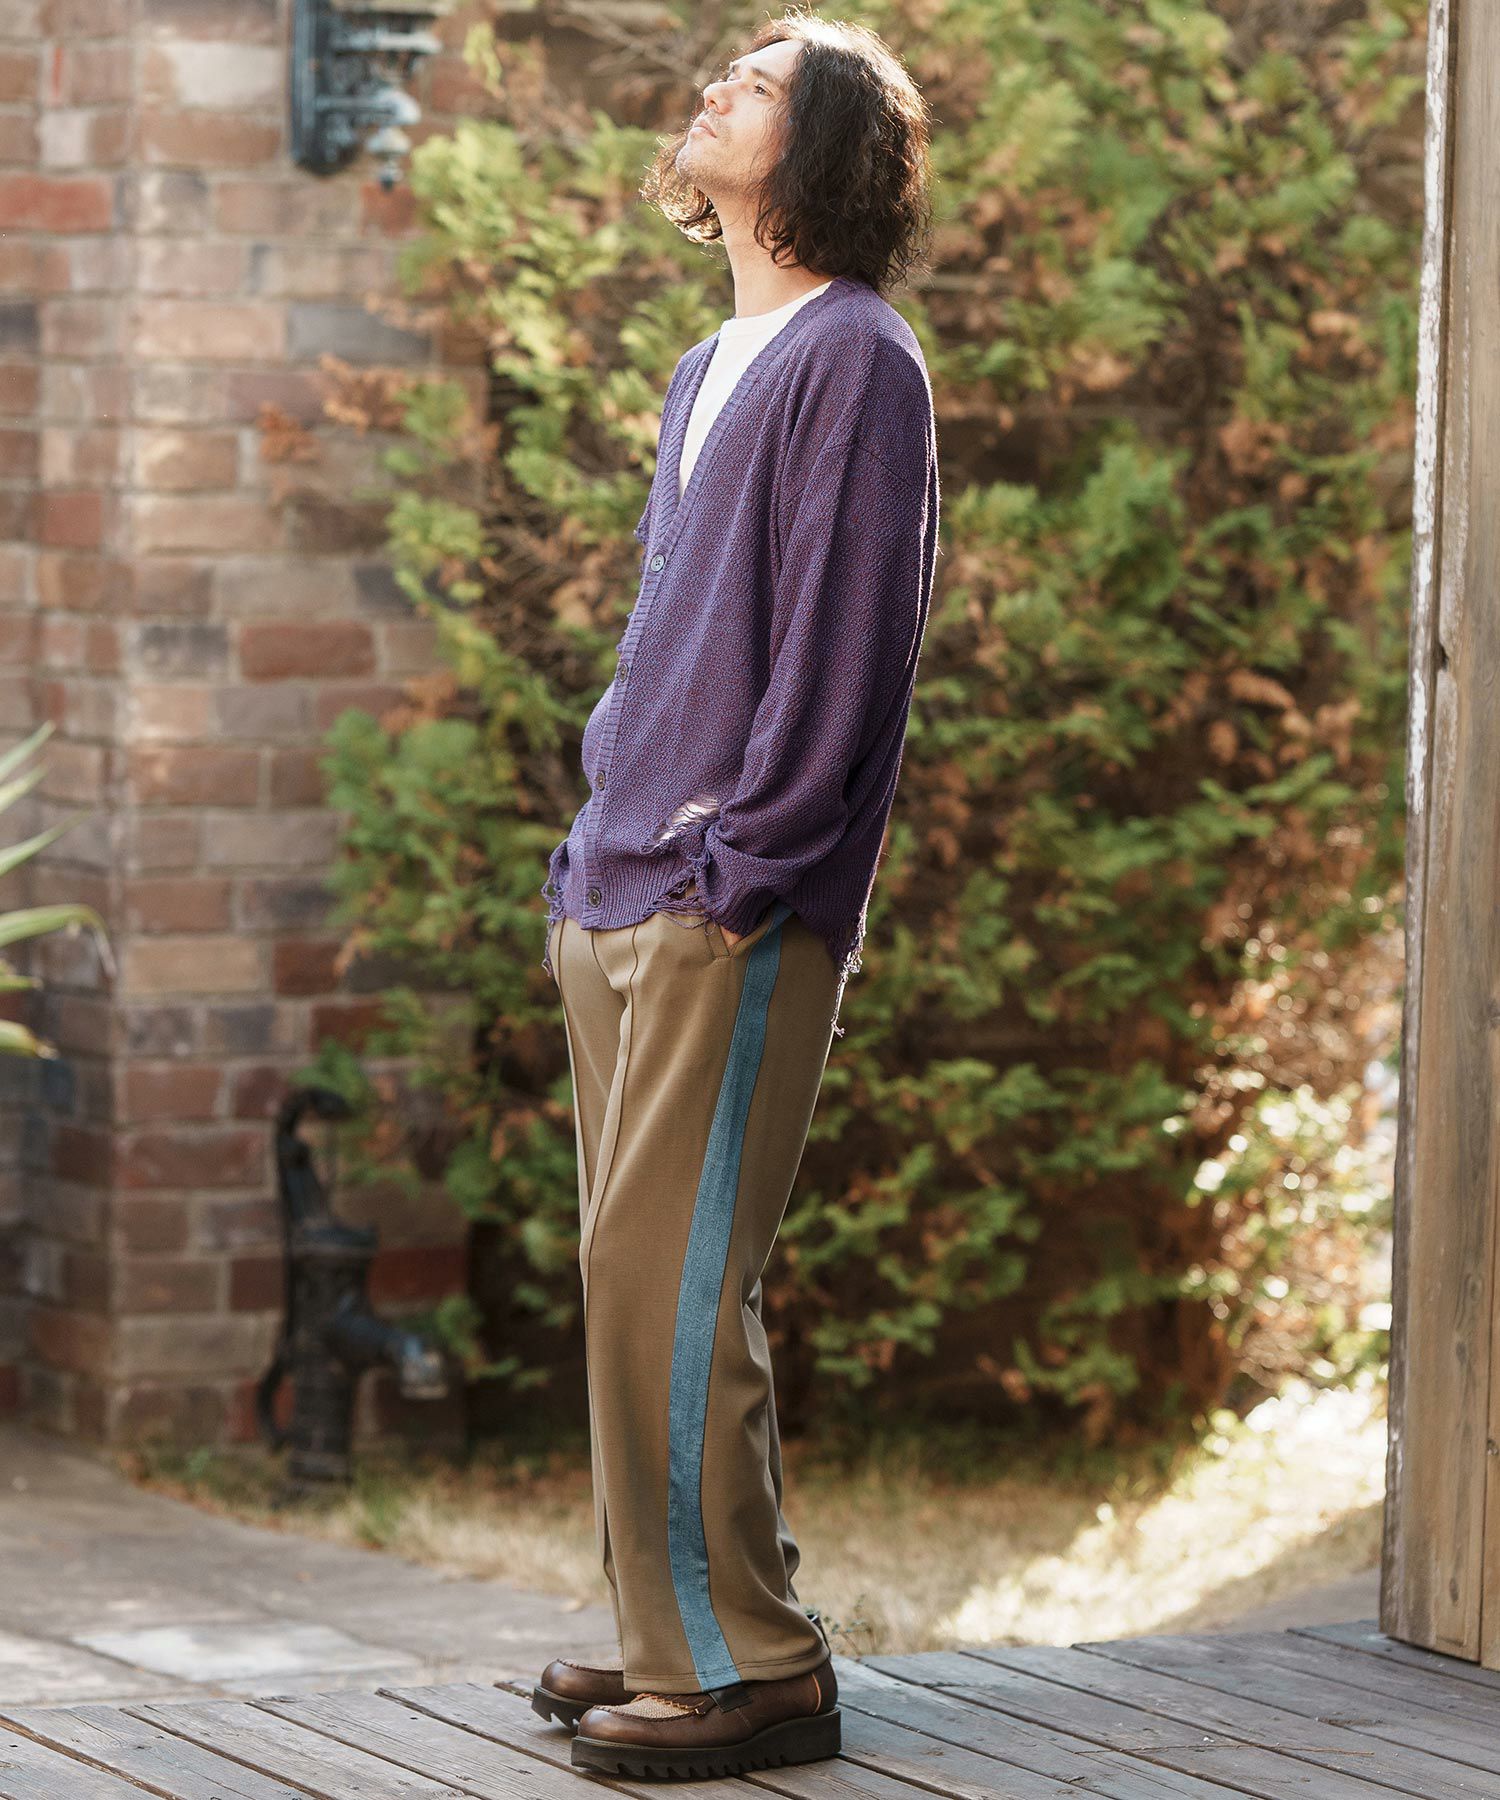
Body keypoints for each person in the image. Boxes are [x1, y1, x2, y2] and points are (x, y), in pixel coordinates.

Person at [531, 10, 939, 1781]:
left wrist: (748, 862)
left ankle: (746, 1669)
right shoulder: (712, 364)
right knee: (640, 1280)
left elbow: (848, 646)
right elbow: (671, 628)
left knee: (674, 1280)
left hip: (731, 899)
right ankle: (680, 1633)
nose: (716, 86)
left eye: (762, 82)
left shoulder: (858, 360)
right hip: (622, 879)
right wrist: (600, 837)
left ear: (824, 147)